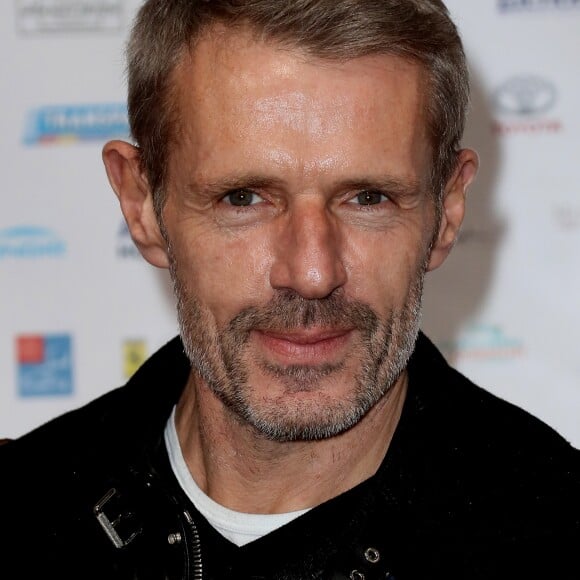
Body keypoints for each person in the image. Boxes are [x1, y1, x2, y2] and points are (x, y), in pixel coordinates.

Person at [1, 1, 579, 578]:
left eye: (369, 198)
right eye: (244, 198)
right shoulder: (23, 512)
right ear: (142, 205)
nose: (311, 272)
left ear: (447, 211)